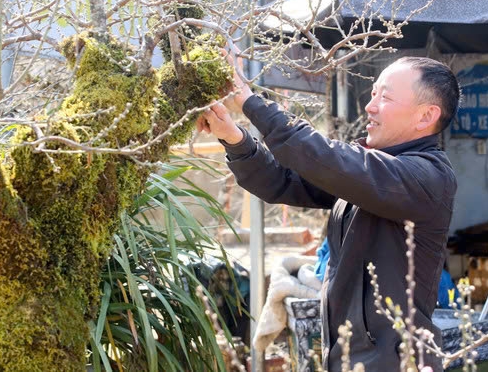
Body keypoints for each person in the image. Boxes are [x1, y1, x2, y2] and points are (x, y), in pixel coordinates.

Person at [197, 56, 460, 372]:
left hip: (393, 363)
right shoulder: (366, 172)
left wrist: (251, 102)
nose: (370, 107)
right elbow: (282, 182)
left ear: (426, 116)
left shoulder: (428, 177)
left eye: (385, 97)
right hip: (345, 356)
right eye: (373, 93)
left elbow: (328, 158)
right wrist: (235, 139)